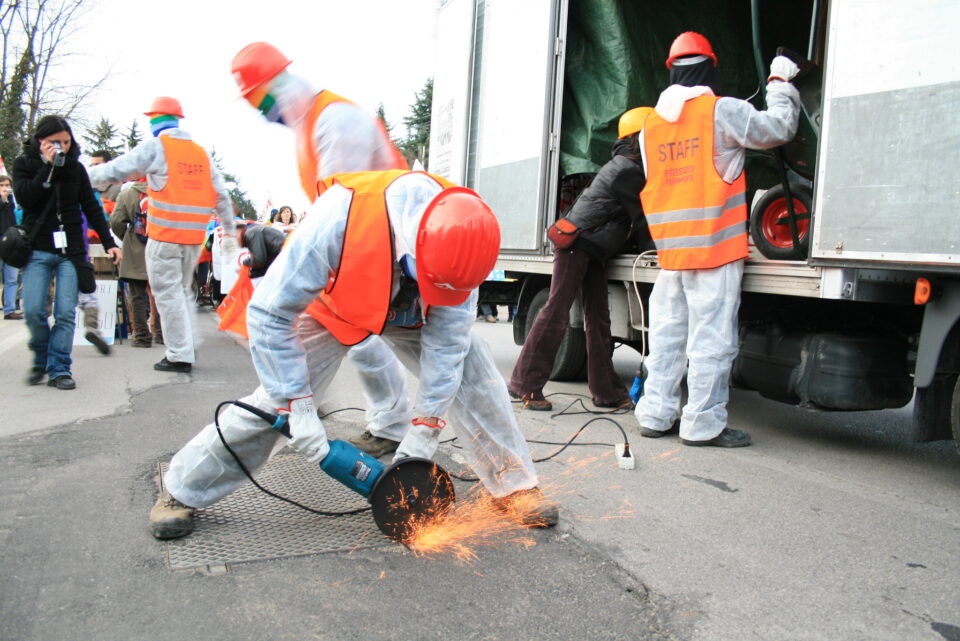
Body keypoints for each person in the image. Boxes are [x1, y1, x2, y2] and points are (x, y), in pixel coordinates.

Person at [149, 170, 559, 539]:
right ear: (414, 241)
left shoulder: (465, 240)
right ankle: (184, 489)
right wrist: (298, 402)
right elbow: (270, 314)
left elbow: (449, 345)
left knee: (473, 374)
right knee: (273, 404)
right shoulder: (337, 219)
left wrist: (424, 427)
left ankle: (515, 484)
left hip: (411, 312)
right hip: (334, 305)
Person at [229, 41, 412, 458]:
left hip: (377, 243)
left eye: (260, 101)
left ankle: (377, 421)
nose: (263, 113)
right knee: (364, 340)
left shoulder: (334, 121)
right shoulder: (309, 124)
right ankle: (386, 422)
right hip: (365, 243)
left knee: (362, 336)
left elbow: (340, 207)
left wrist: (303, 259)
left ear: (275, 86)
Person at [633, 32, 800, 447]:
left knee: (667, 341)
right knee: (710, 343)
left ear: (671, 70)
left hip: (671, 255)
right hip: (714, 251)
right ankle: (702, 425)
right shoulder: (720, 111)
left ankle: (655, 415)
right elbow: (779, 128)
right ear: (711, 67)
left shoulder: (649, 126)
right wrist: (780, 84)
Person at [509, 108, 655, 411]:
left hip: (592, 249)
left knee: (599, 320)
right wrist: (659, 250)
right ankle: (524, 384)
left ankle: (606, 392)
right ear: (641, 139)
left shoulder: (623, 165)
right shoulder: (628, 170)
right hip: (578, 245)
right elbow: (641, 220)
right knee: (556, 313)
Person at [89, 97, 235, 373]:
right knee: (179, 293)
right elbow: (222, 197)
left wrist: (81, 174)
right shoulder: (200, 154)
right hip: (192, 241)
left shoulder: (158, 148)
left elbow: (115, 170)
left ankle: (180, 354)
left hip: (165, 236)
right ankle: (186, 346)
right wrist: (230, 233)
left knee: (167, 295)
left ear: (155, 121)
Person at [12, 115, 122, 389]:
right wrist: (46, 168)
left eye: (66, 141)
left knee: (65, 313)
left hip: (71, 250)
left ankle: (60, 368)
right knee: (34, 310)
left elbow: (91, 206)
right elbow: (26, 198)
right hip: (37, 248)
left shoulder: (76, 169)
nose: (61, 147)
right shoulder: (24, 164)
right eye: (54, 142)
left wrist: (109, 242)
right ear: (41, 141)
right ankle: (41, 357)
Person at [110, 178, 153, 346]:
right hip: (163, 244)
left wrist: (126, 237)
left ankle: (142, 335)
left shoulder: (127, 193)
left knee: (137, 294)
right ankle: (162, 333)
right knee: (163, 294)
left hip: (136, 246)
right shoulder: (166, 190)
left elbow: (115, 221)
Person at [0, 174, 22, 320]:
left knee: (12, 279)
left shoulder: (11, 203)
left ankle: (10, 310)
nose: (5, 188)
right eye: (1, 185)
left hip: (10, 245)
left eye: (7, 185)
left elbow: (12, 222)